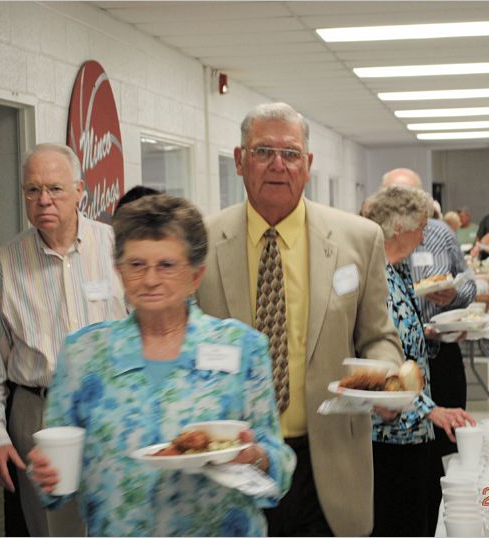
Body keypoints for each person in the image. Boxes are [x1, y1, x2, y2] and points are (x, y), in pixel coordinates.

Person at [28, 194, 295, 536]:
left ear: (196, 276)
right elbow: (55, 473)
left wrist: (256, 455)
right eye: (136, 265)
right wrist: (47, 476)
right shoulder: (83, 354)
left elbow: (280, 467)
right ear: (119, 271)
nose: (150, 279)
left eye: (167, 266)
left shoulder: (242, 348)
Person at [196, 102, 404, 537]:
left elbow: (379, 336)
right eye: (262, 152)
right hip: (233, 461)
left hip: (326, 457)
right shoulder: (202, 241)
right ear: (239, 160)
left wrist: (384, 378)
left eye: (290, 154)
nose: (277, 164)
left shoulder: (359, 239)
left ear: (307, 165)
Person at [0, 143, 127, 537]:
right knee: (54, 529)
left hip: (115, 408)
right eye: (32, 191)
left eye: (54, 188)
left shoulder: (116, 248)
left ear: (80, 190)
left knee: (124, 519)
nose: (43, 200)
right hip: (39, 414)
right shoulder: (6, 264)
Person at [361, 185, 475, 537]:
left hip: (413, 427)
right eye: (421, 227)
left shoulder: (398, 271)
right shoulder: (373, 276)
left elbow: (402, 338)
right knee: (399, 521)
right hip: (389, 432)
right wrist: (431, 410)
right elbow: (375, 357)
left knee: (420, 516)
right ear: (399, 227)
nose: (425, 235)